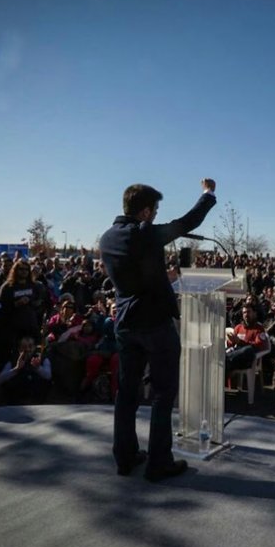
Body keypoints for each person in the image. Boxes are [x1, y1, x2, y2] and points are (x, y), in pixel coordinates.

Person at [99, 179, 217, 481]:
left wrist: (163, 275)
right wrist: (207, 194)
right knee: (163, 394)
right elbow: (186, 222)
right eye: (154, 211)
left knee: (126, 393)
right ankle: (158, 462)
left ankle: (125, 457)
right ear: (146, 211)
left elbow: (134, 274)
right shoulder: (144, 234)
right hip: (154, 325)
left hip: (126, 324)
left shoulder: (108, 238)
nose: (155, 216)